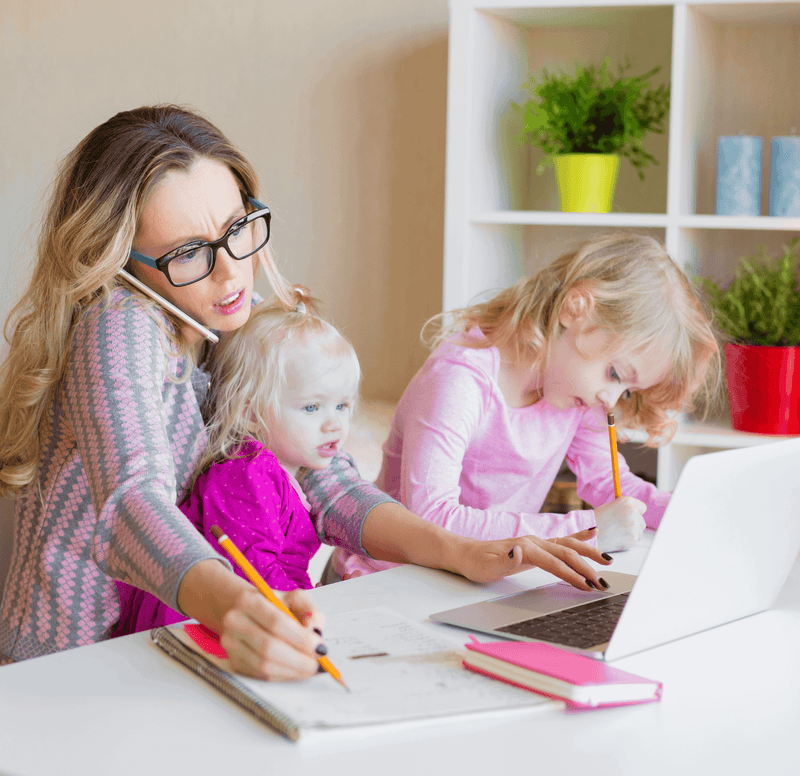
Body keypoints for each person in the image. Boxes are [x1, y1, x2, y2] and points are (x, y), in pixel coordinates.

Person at [0, 104, 607, 678]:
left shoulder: (229, 313)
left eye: (239, 229)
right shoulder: (119, 324)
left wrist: (463, 550)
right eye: (189, 253)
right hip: (74, 662)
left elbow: (329, 482)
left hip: (165, 637)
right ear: (120, 262)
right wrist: (237, 608)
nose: (232, 272)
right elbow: (134, 502)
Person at [330, 233, 721, 580]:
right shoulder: (461, 379)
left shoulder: (575, 392)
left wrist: (690, 510)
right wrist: (584, 529)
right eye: (616, 373)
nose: (611, 399)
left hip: (477, 580)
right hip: (384, 580)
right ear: (575, 309)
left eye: (628, 391)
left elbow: (609, 484)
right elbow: (432, 519)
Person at [113, 294, 364, 634]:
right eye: (311, 408)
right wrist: (306, 606)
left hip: (249, 612)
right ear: (250, 412)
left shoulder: (290, 473)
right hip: (188, 623)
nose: (334, 424)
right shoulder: (247, 472)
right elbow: (254, 570)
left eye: (342, 406)